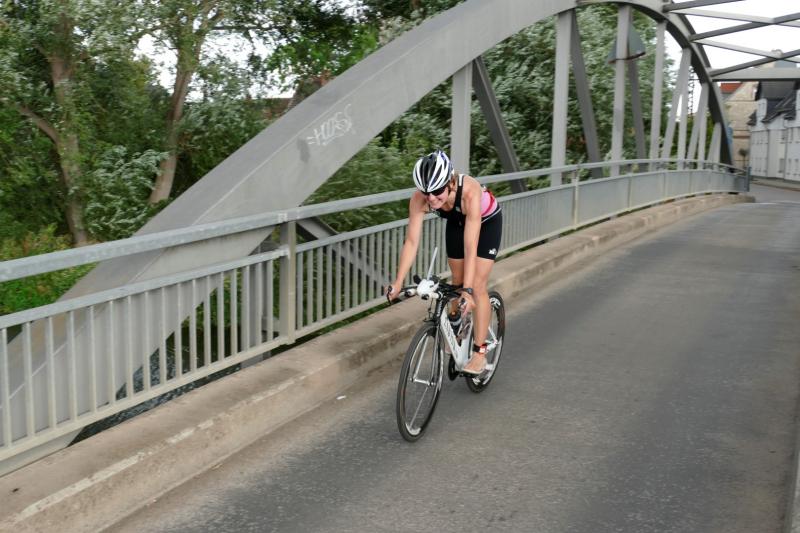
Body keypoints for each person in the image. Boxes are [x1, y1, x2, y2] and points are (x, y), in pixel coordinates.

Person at [387, 150, 503, 375]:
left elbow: (471, 247)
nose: (431, 198)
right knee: (456, 282)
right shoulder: (421, 199)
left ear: (449, 182)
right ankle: (457, 320)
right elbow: (411, 241)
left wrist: (468, 291)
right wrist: (398, 281)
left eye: (437, 191)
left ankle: (479, 353)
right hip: (457, 222)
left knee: (475, 286)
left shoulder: (469, 192)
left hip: (486, 222)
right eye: (426, 192)